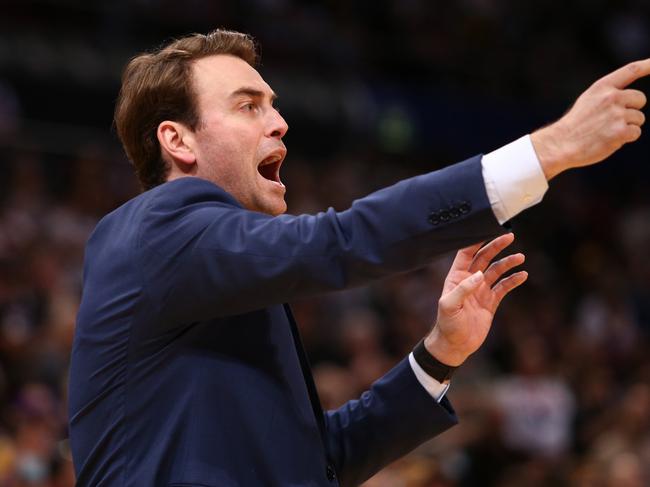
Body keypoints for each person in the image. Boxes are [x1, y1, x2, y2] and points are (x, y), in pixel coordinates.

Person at [68, 29, 648, 486]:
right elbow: (339, 241)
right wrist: (547, 151)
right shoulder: (156, 228)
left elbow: (323, 461)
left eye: (273, 104)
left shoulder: (213, 277)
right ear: (178, 140)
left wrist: (440, 354)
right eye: (248, 106)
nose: (279, 121)